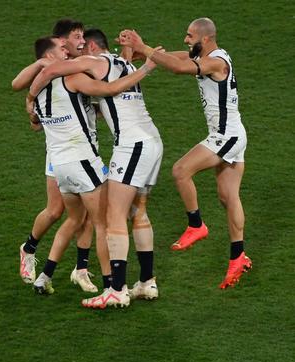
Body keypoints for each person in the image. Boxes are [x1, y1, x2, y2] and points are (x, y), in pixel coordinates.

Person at [29, 28, 163, 308]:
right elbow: (111, 93)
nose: (75, 50)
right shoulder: (123, 63)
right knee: (138, 212)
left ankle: (115, 289)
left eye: (79, 44)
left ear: (90, 46)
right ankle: (147, 282)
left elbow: (50, 72)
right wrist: (137, 52)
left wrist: (32, 97)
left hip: (131, 146)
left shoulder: (93, 62)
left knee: (112, 217)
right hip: (151, 142)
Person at [119, 18, 252, 288]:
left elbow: (180, 67)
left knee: (180, 171)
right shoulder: (206, 54)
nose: (185, 40)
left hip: (226, 136)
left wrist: (143, 47)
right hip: (233, 134)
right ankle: (238, 256)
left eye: (190, 36)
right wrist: (141, 52)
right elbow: (174, 58)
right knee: (228, 197)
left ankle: (196, 225)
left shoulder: (216, 62)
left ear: (205, 39)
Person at [14, 19, 97, 293]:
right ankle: (28, 248)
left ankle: (81, 269)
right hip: (62, 153)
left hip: (85, 149)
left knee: (84, 216)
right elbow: (18, 86)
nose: (81, 41)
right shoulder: (53, 73)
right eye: (75, 38)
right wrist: (33, 93)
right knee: (56, 210)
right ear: (60, 42)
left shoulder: (78, 64)